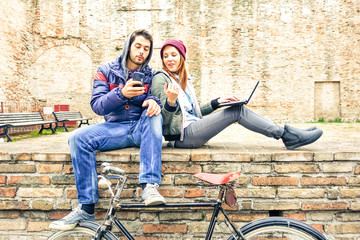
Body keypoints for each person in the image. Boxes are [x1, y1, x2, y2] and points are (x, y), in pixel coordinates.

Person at [49, 29, 166, 231]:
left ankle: (149, 187)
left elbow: (158, 97)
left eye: (146, 49)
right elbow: (97, 105)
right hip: (115, 129)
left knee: (155, 113)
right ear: (129, 45)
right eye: (138, 46)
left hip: (142, 127)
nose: (142, 52)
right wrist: (121, 93)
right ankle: (86, 207)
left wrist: (154, 101)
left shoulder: (152, 74)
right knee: (77, 138)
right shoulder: (106, 70)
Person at [151, 39, 323, 150]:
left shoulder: (183, 81)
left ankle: (288, 133)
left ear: (182, 57)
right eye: (165, 56)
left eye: (174, 55)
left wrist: (217, 102)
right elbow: (163, 120)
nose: (169, 59)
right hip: (182, 137)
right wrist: (170, 103)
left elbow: (192, 112)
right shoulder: (161, 79)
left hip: (192, 127)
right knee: (236, 112)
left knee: (235, 107)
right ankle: (287, 135)